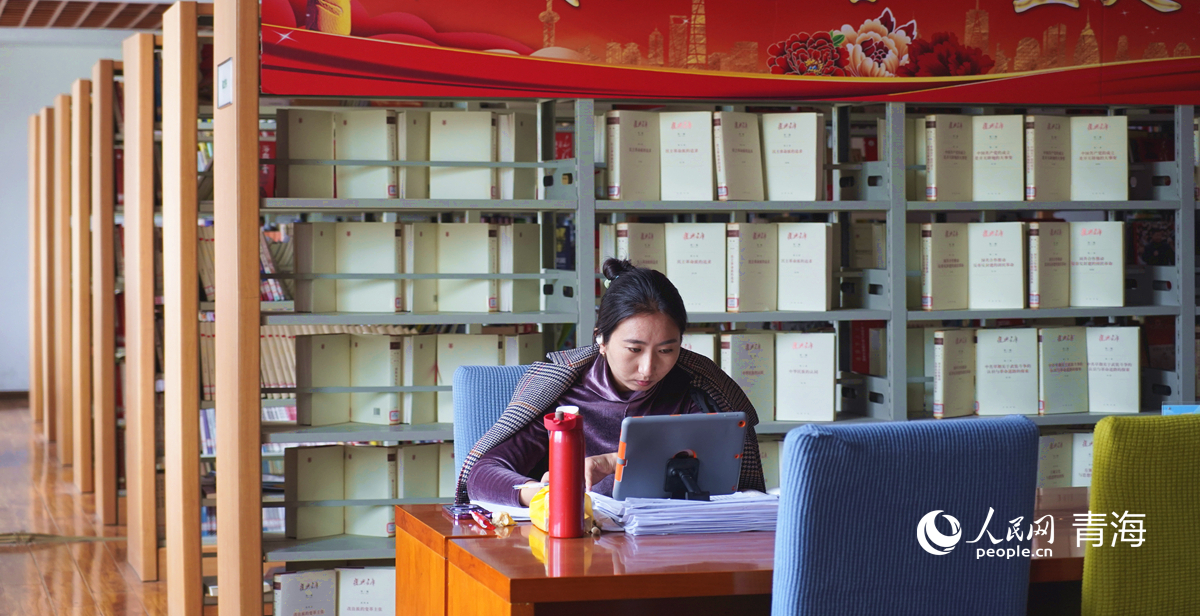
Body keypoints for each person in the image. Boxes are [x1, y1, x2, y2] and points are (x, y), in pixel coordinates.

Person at [457, 258, 765, 506]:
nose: (648, 368)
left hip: (667, 546)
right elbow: (482, 474)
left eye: (666, 350)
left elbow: (726, 479)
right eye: (634, 349)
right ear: (601, 340)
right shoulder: (563, 395)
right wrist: (544, 495)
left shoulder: (695, 393)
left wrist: (615, 461)